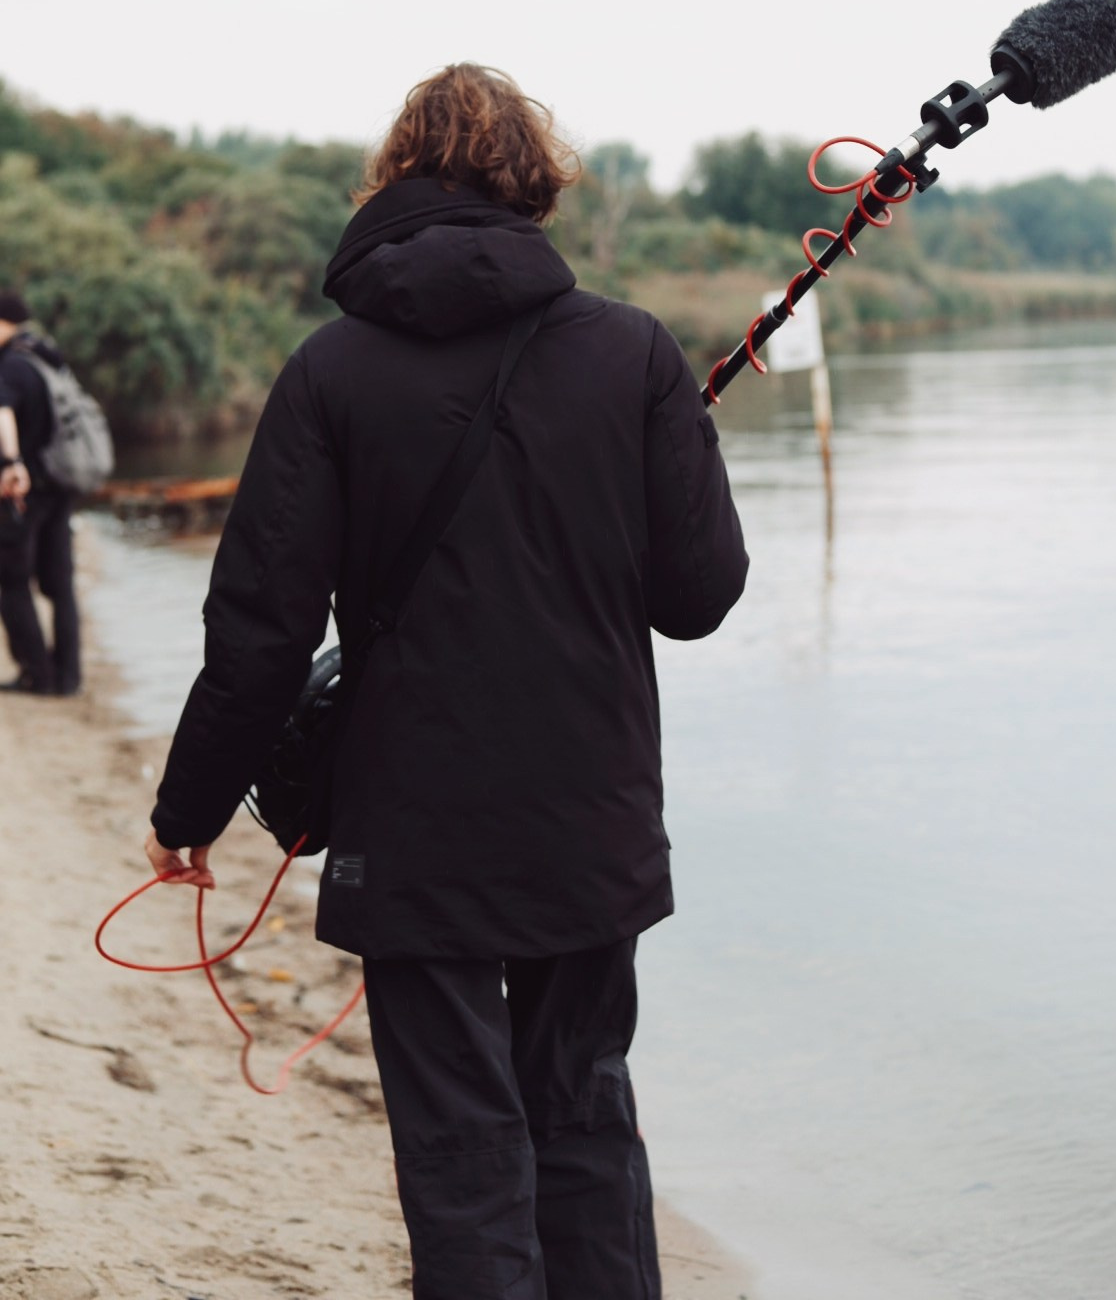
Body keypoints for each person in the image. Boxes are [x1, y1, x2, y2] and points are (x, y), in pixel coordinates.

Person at [144, 63, 749, 1298]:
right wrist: (662, 461)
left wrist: (185, 814)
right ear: (534, 182)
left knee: (462, 1150)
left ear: (396, 182)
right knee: (582, 1117)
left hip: (412, 833)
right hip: (589, 818)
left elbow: (259, 632)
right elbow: (697, 598)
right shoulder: (631, 351)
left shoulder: (330, 370)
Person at [0, 291, 83, 697]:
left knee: (11, 581)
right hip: (60, 481)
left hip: (25, 488)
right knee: (60, 584)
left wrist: (11, 462)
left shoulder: (11, 364)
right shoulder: (47, 357)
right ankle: (69, 677)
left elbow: (2, 412)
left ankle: (38, 676)